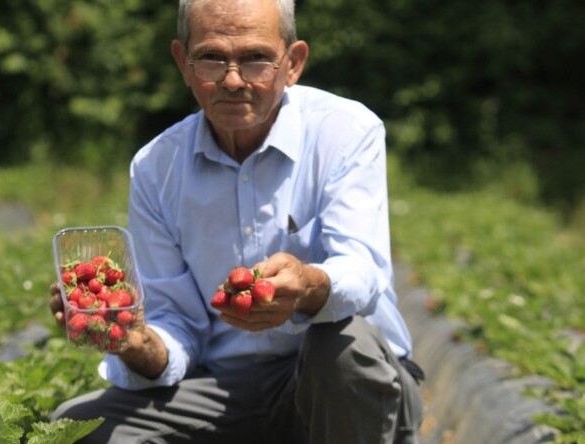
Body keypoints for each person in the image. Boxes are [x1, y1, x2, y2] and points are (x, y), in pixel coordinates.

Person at [48, 0, 424, 442]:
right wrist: (133, 341)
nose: (232, 80)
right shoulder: (156, 168)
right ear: (182, 63)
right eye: (211, 58)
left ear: (293, 63)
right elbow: (177, 324)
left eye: (256, 59)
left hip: (338, 388)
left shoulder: (345, 132)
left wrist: (306, 285)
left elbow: (363, 272)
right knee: (75, 429)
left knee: (340, 347)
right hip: (228, 389)